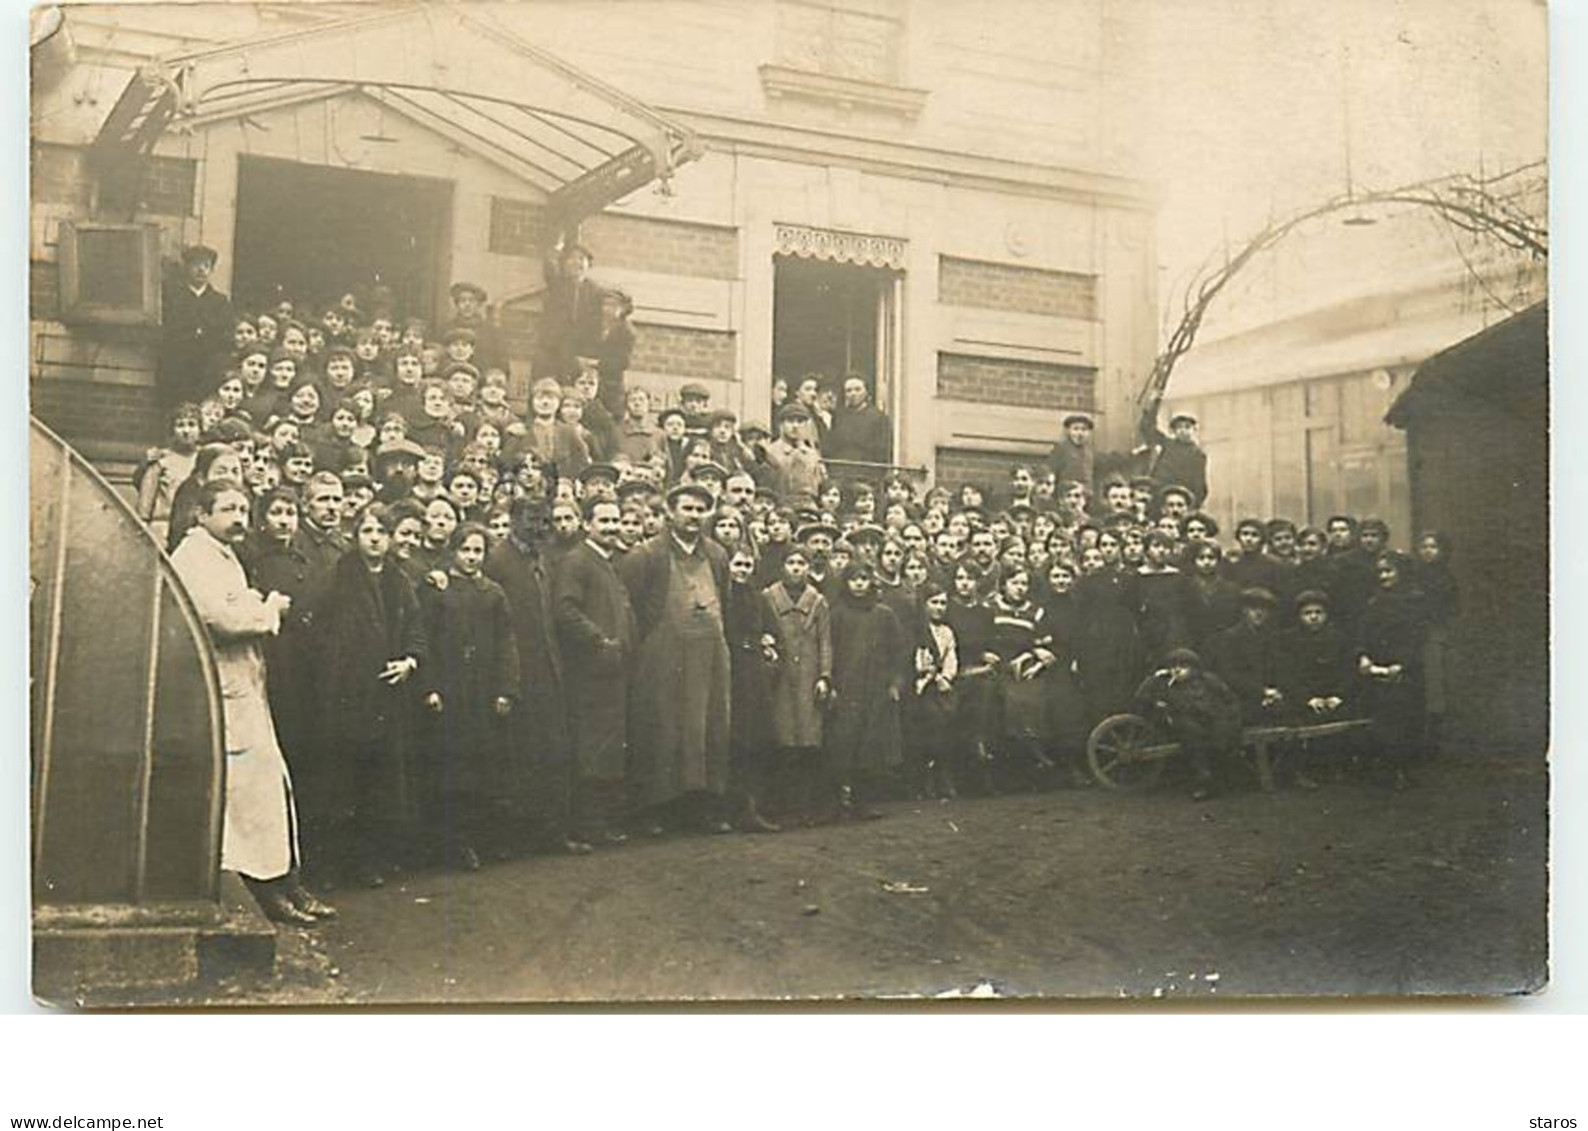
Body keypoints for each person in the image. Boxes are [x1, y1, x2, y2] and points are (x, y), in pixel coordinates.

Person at [169, 481, 335, 924]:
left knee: (269, 785)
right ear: (201, 515)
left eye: (243, 508)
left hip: (245, 684)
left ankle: (286, 882)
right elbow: (216, 617)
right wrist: (270, 611)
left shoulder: (223, 554)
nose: (239, 517)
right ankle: (265, 889)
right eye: (228, 508)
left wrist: (255, 604)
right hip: (223, 690)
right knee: (247, 793)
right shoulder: (193, 557)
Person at [315, 503, 428, 886]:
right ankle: (333, 864)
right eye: (368, 531)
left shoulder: (399, 579)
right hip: (347, 692)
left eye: (382, 532)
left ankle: (368, 860)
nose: (376, 539)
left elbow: (415, 625)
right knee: (342, 777)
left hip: (386, 692)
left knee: (379, 779)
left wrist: (410, 661)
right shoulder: (340, 576)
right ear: (356, 536)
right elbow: (318, 627)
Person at [620, 482, 734, 834]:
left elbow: (723, 601)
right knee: (663, 727)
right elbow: (633, 608)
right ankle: (656, 809)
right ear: (670, 512)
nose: (694, 516)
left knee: (705, 728)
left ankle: (701, 807)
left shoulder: (716, 555)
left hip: (709, 655)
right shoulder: (646, 555)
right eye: (687, 508)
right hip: (662, 655)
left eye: (701, 510)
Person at [417, 523, 520, 870]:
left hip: (482, 690)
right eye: (466, 550)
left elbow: (507, 643)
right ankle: (450, 844)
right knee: (450, 767)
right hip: (450, 689)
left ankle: (478, 839)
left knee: (482, 766)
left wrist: (506, 688)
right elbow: (424, 640)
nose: (472, 558)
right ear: (453, 551)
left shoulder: (493, 593)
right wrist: (429, 686)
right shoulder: (438, 591)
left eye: (478, 551)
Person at [554, 498, 639, 845]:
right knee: (590, 746)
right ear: (587, 524)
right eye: (603, 520)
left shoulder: (608, 562)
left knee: (606, 746)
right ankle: (587, 825)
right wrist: (598, 641)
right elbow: (565, 610)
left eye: (615, 520)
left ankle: (600, 822)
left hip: (613, 669)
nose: (611, 526)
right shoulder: (577, 560)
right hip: (590, 670)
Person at [823, 561, 905, 821]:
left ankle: (863, 801)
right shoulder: (837, 614)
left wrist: (894, 684)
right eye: (853, 579)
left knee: (869, 746)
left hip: (875, 689)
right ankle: (838, 801)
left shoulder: (884, 614)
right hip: (846, 688)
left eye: (864, 579)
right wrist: (832, 684)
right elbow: (829, 651)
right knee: (842, 744)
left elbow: (899, 652)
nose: (859, 584)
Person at [763, 546, 833, 824]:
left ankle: (807, 808)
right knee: (783, 743)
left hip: (808, 678)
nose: (796, 568)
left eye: (801, 563)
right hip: (779, 679)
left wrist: (825, 676)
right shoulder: (769, 597)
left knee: (808, 743)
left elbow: (825, 642)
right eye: (790, 562)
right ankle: (783, 808)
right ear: (782, 566)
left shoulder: (818, 601)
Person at [1132, 648, 1243, 801]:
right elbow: (1140, 698)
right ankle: (1203, 779)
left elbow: (1229, 699)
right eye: (1173, 666)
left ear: (1193, 668)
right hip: (1183, 724)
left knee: (1220, 739)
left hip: (1214, 720)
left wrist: (1227, 717)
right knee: (1190, 732)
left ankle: (1221, 779)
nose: (1177, 670)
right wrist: (1153, 680)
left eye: (1183, 666)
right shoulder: (1165, 683)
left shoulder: (1209, 680)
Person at [158, 245, 236, 409]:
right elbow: (164, 331)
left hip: (206, 372)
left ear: (211, 270)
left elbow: (226, 337)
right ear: (187, 267)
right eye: (196, 265)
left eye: (206, 266)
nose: (201, 270)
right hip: (175, 369)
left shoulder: (220, 302)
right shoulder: (172, 298)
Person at [135, 402, 203, 543]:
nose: (186, 431)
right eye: (180, 425)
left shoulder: (204, 459)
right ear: (173, 430)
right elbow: (144, 505)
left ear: (200, 429)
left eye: (191, 425)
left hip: (197, 529)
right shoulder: (161, 460)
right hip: (164, 528)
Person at [1137, 403, 1208, 507]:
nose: (1183, 431)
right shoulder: (1167, 444)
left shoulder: (1198, 454)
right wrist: (1154, 404)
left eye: (1187, 427)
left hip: (1181, 497)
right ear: (1174, 431)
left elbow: (1199, 485)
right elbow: (1147, 428)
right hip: (1159, 495)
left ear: (1194, 430)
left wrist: (1192, 504)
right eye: (1179, 427)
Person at [825, 373, 892, 467]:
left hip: (867, 474)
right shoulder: (839, 417)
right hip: (840, 473)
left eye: (858, 389)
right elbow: (832, 447)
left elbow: (883, 453)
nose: (853, 394)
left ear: (866, 392)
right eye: (849, 390)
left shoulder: (879, 418)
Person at [763, 403, 825, 500]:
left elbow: (819, 485)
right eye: (790, 421)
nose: (795, 426)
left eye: (800, 421)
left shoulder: (812, 455)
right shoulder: (770, 452)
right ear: (781, 425)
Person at [1048, 414, 1096, 493]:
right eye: (1075, 429)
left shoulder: (1091, 452)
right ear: (1068, 431)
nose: (1080, 433)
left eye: (1084, 429)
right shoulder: (1060, 449)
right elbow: (1052, 474)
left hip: (1086, 494)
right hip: (1065, 493)